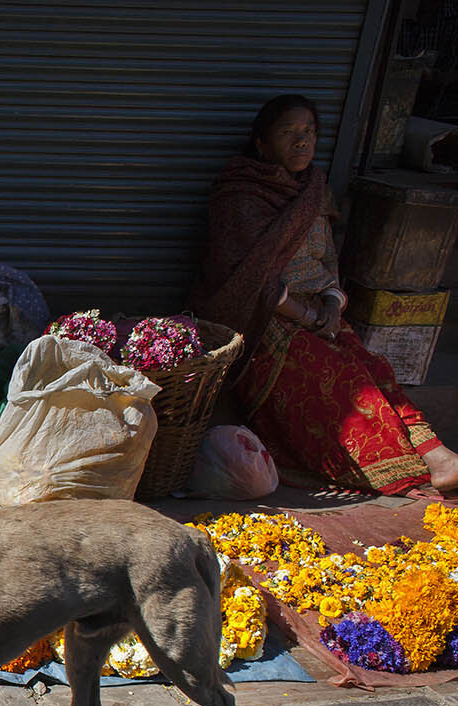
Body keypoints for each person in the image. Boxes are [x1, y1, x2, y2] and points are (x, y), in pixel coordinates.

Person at [188, 94, 458, 496]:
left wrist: (332, 302)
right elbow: (248, 281)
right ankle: (409, 465)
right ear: (262, 143)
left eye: (309, 131)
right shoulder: (240, 196)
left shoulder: (314, 188)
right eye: (288, 132)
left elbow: (328, 258)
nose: (302, 141)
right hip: (264, 323)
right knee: (344, 383)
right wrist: (308, 317)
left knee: (373, 368)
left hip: (320, 313)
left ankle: (436, 455)